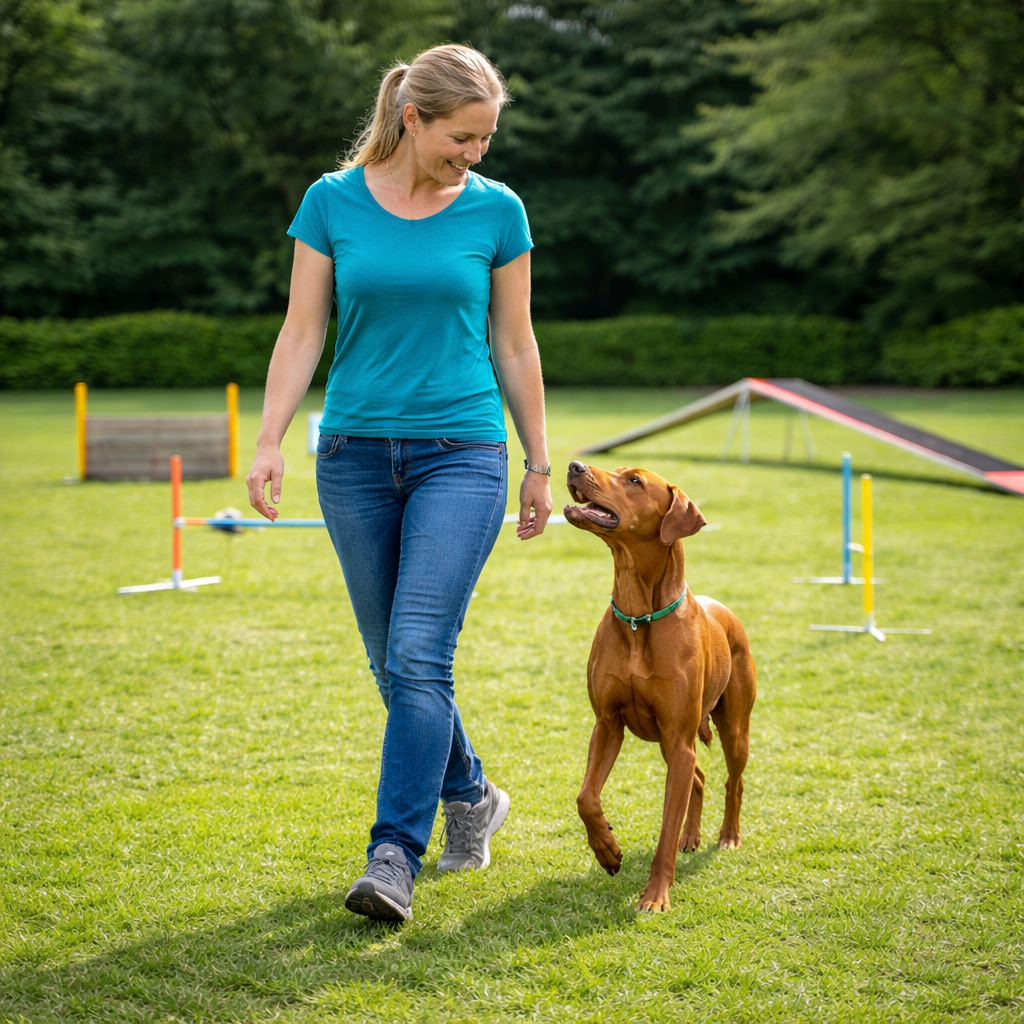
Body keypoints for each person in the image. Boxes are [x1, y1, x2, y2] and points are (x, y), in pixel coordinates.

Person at [245, 44, 552, 923]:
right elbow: (302, 331)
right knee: (394, 663)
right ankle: (473, 793)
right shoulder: (331, 201)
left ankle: (393, 856)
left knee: (420, 654)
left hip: (463, 453)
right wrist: (268, 441)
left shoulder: (498, 211)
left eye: (486, 139)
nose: (475, 154)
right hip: (353, 458)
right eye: (462, 137)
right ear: (413, 118)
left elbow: (514, 343)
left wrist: (537, 461)